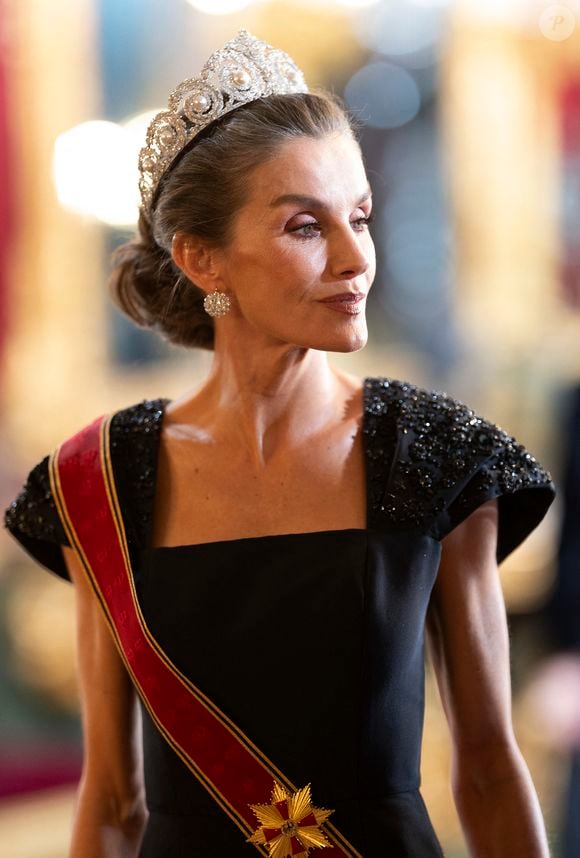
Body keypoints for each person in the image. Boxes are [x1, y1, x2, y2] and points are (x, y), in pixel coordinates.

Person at [3, 28, 557, 858]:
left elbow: (487, 771)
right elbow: (114, 799)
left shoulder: (438, 455)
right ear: (202, 260)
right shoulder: (102, 478)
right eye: (306, 226)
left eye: (360, 217)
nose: (355, 258)